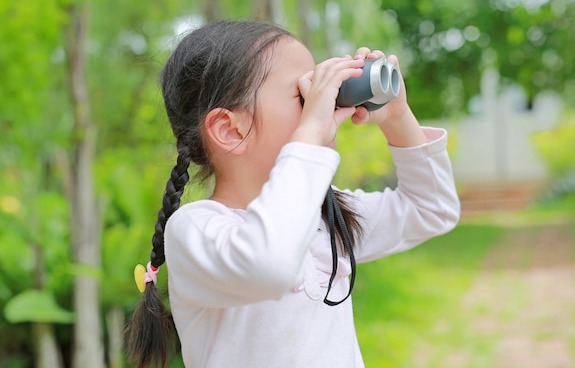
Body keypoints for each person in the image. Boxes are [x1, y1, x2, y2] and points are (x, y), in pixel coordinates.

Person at [126, 20, 460, 368]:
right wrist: (311, 132)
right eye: (305, 95)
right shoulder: (195, 230)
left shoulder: (325, 219)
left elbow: (432, 209)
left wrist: (397, 116)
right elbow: (270, 263)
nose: (325, 104)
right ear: (229, 129)